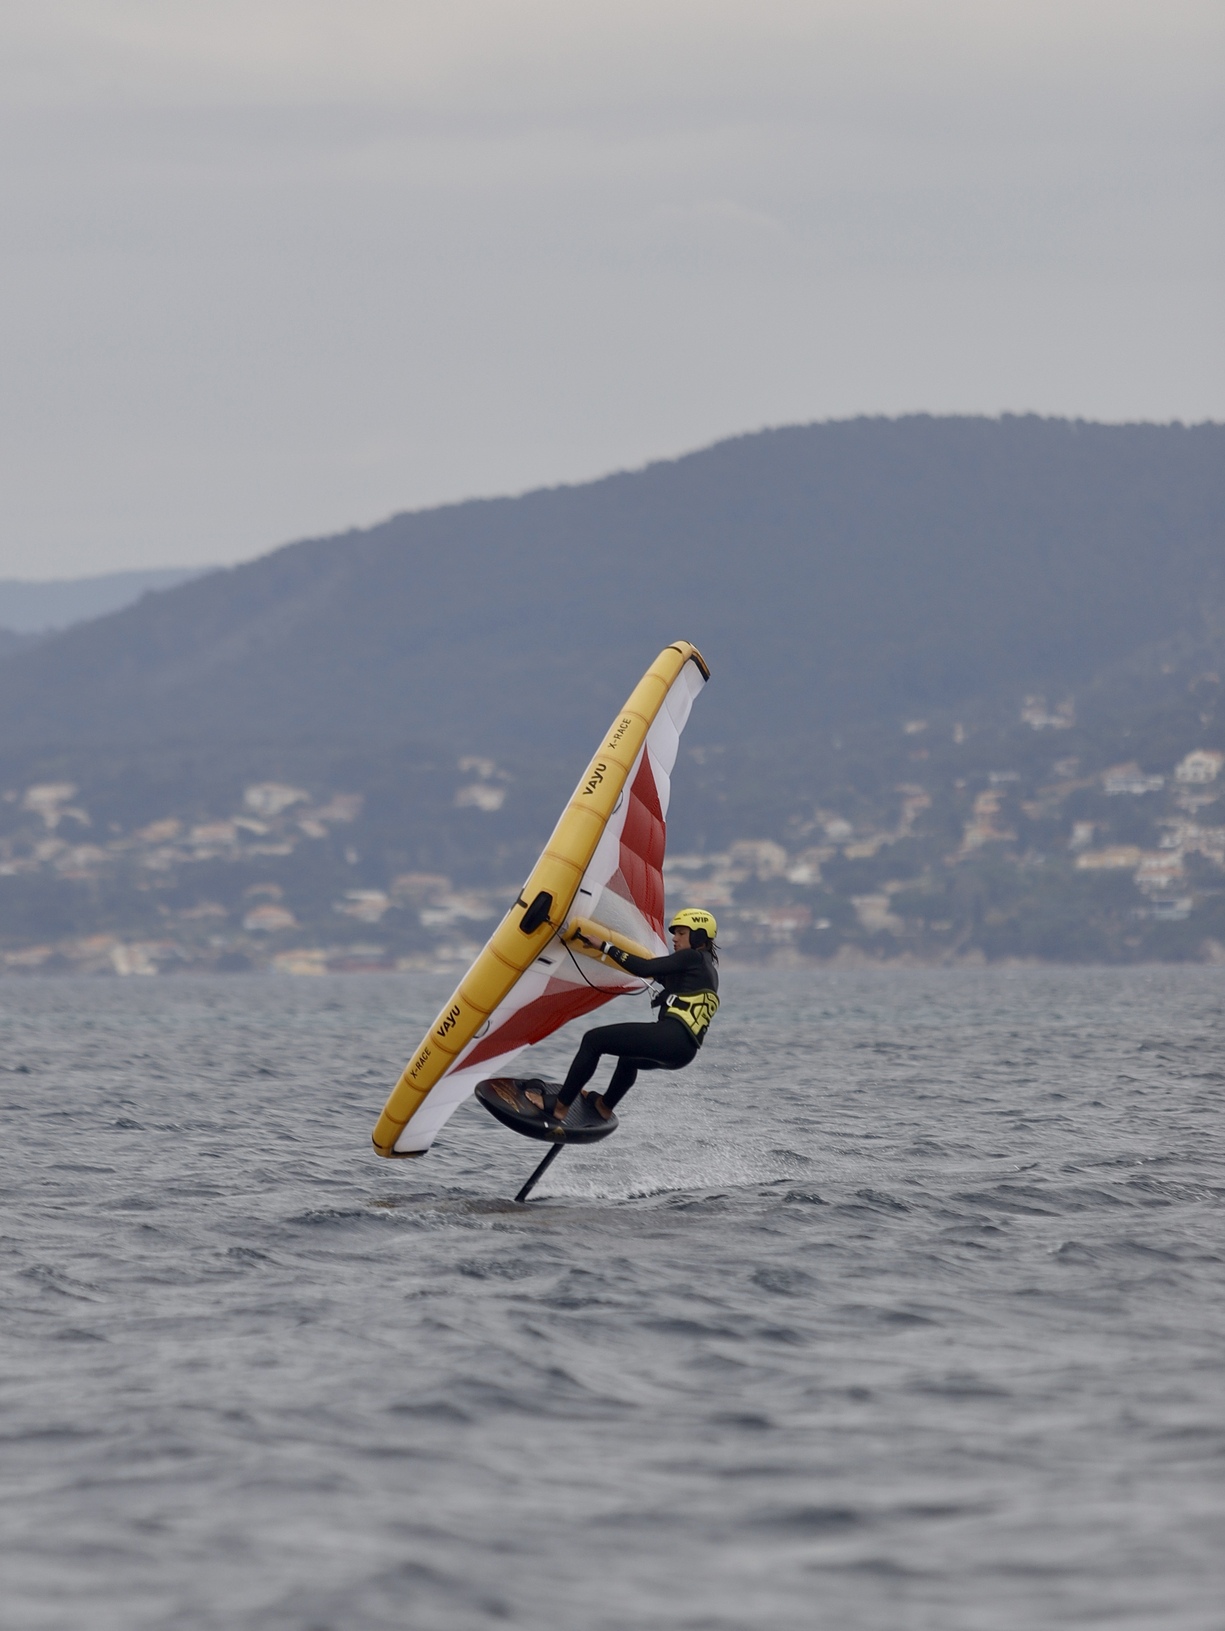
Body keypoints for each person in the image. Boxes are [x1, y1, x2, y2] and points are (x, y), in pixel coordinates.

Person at [543, 908, 720, 1125]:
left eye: (681, 933)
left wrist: (605, 946)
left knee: (593, 1040)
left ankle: (559, 1106)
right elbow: (655, 972)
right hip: (684, 1052)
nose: (674, 938)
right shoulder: (707, 971)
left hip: (672, 1037)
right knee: (629, 1060)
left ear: (699, 936)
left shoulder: (691, 957)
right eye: (675, 933)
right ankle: (604, 1106)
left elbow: (645, 968)